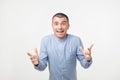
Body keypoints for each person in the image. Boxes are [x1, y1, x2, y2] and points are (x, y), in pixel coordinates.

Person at [27, 13, 93, 80]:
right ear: (52, 26)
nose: (59, 27)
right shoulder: (46, 41)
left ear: (68, 26)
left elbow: (85, 65)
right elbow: (42, 67)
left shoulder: (76, 40)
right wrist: (37, 63)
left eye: (63, 23)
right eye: (56, 23)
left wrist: (88, 59)